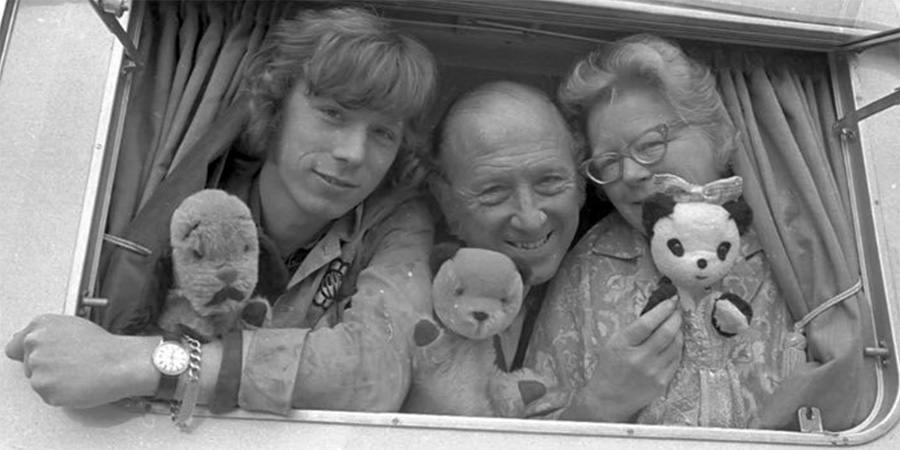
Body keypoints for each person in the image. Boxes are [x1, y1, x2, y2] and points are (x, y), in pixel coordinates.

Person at [5, 6, 438, 418]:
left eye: (382, 133)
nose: (353, 153)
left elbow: (375, 373)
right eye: (332, 113)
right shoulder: (192, 191)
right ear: (276, 105)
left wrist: (142, 362)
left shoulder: (396, 221)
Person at [526, 34, 797, 428]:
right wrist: (601, 404)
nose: (631, 174)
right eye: (608, 162)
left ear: (716, 132)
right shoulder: (590, 264)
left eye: (650, 144)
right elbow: (532, 429)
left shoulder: (791, 245)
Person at [423, 81, 584, 378]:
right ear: (446, 202)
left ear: (581, 185)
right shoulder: (413, 301)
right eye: (494, 192)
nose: (530, 218)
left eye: (549, 181)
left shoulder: (610, 281)